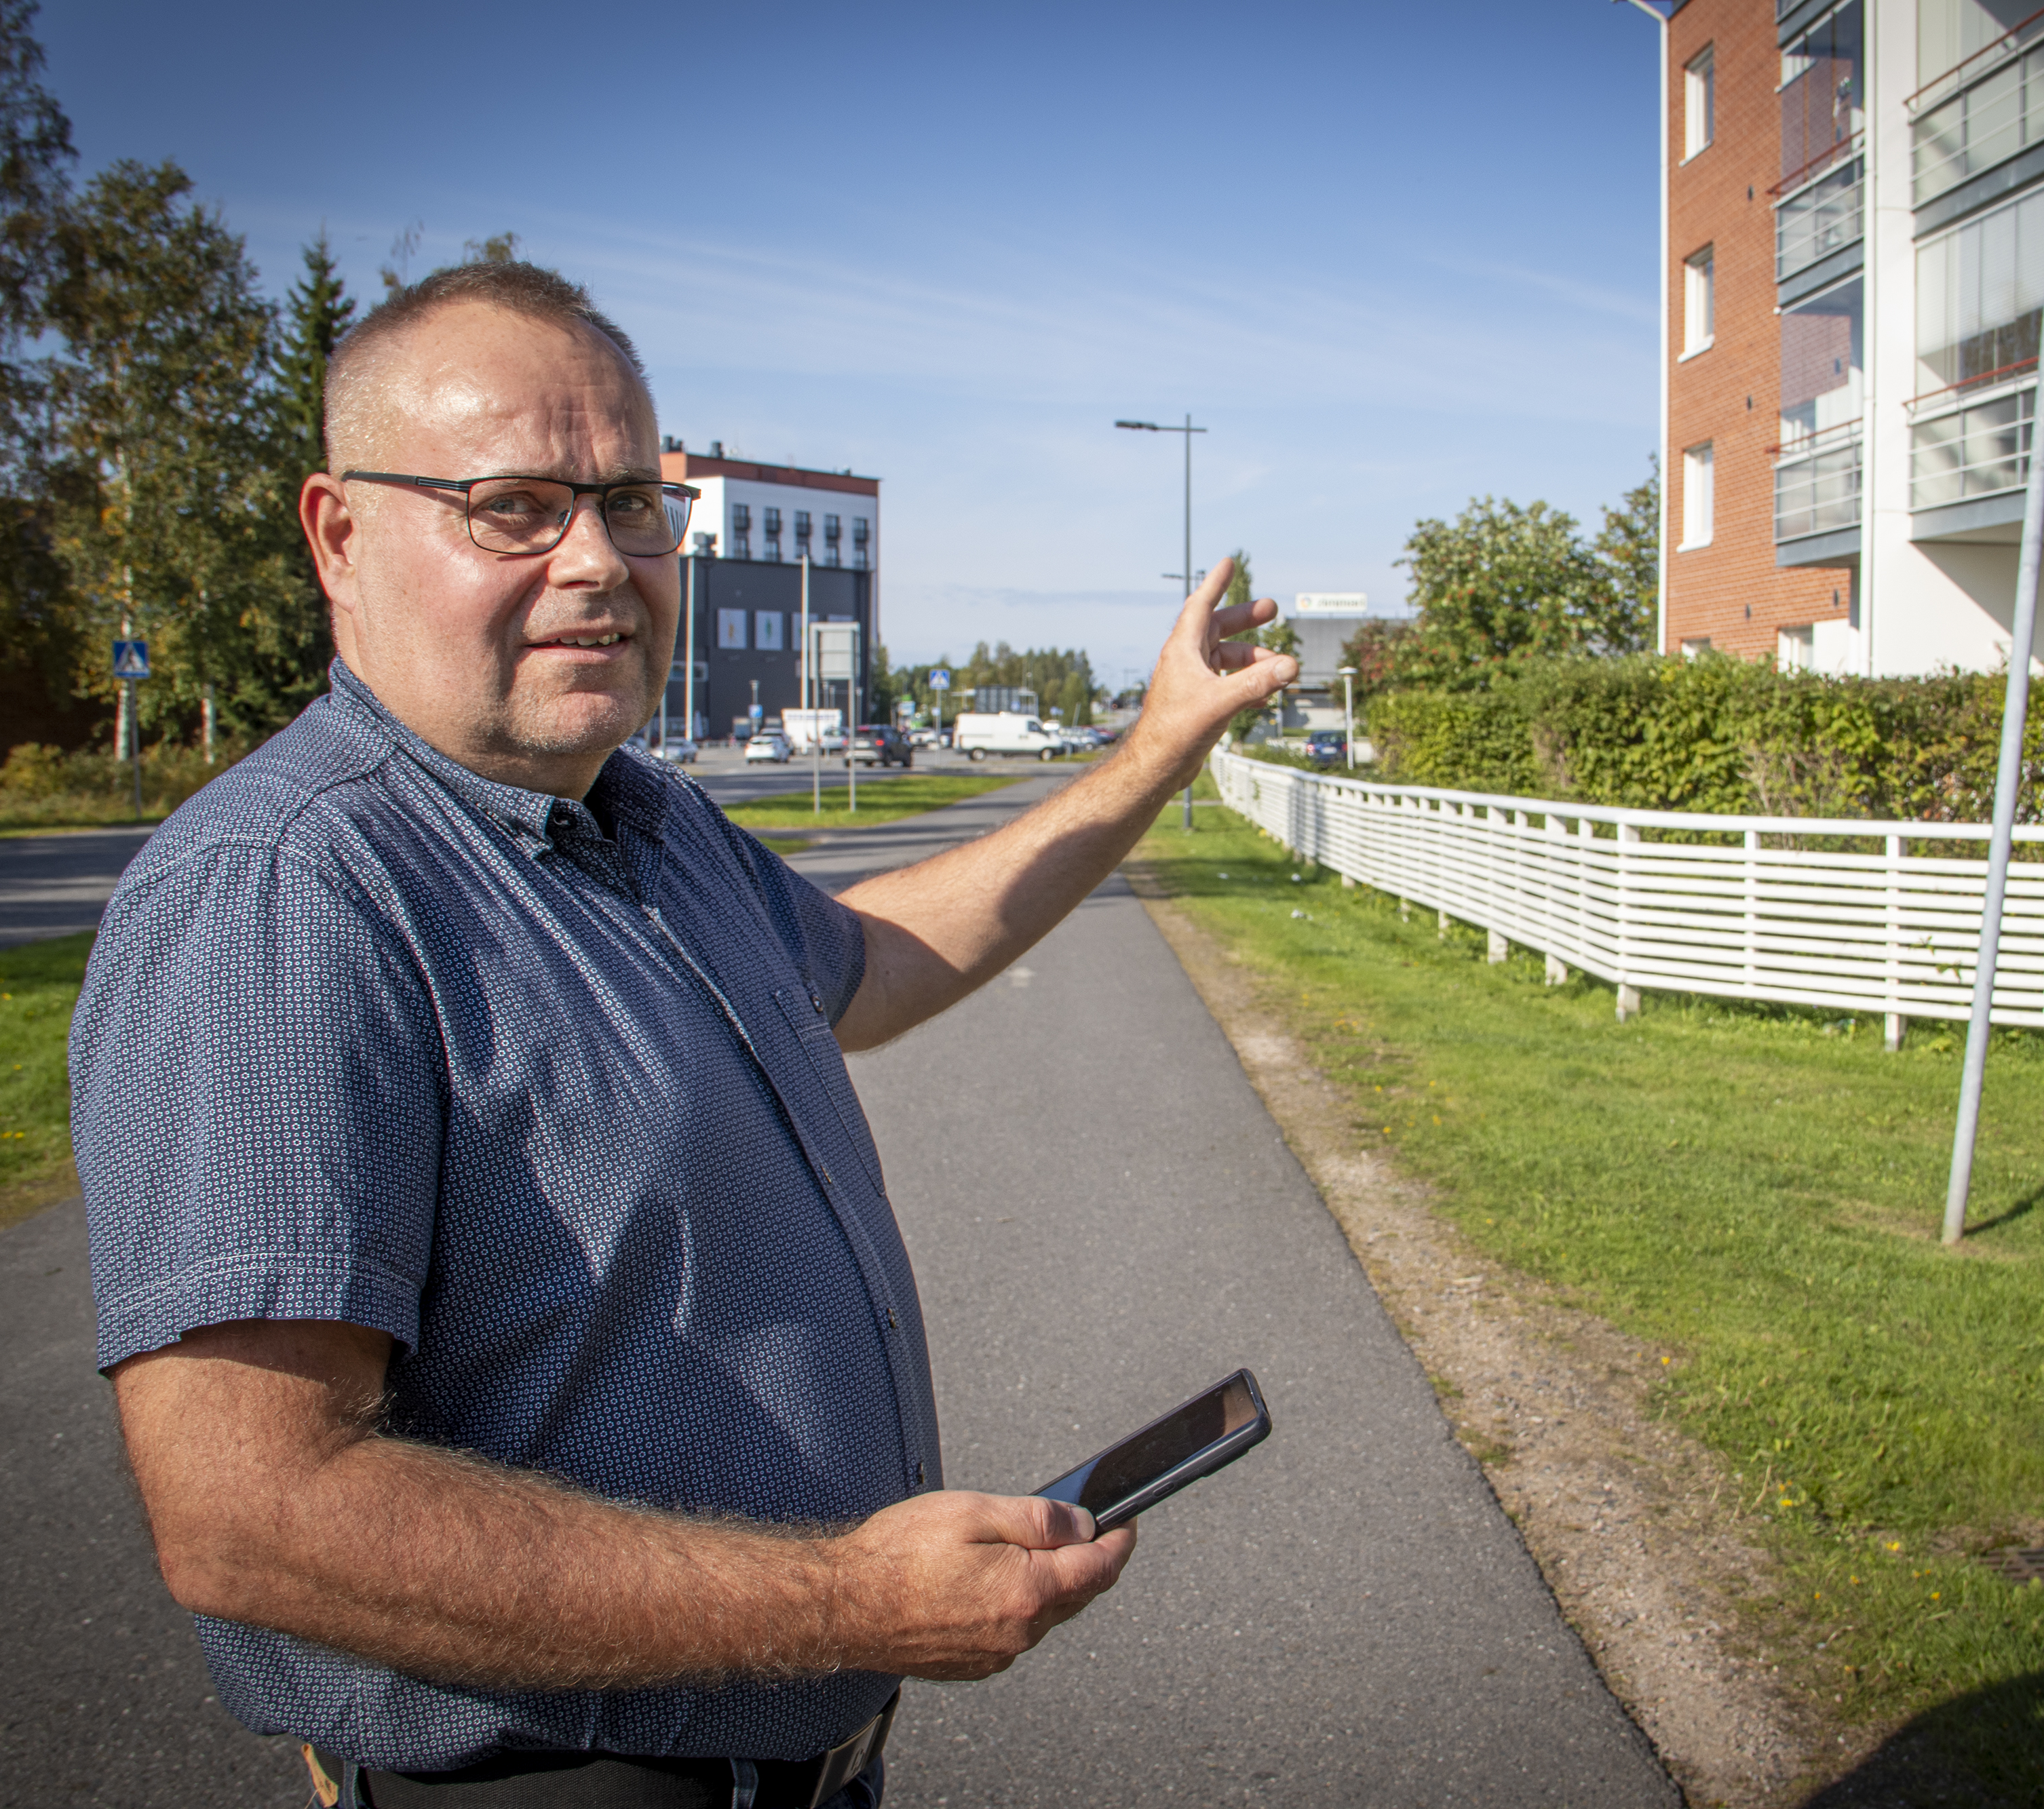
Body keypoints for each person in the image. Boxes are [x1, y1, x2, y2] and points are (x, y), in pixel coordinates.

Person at [69, 260, 1296, 1809]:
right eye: (513, 505)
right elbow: (253, 1510)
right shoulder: (284, 896)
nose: (596, 560)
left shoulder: (641, 819)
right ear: (339, 533)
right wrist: (847, 1604)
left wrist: (1153, 752)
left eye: (633, 503)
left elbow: (875, 962)